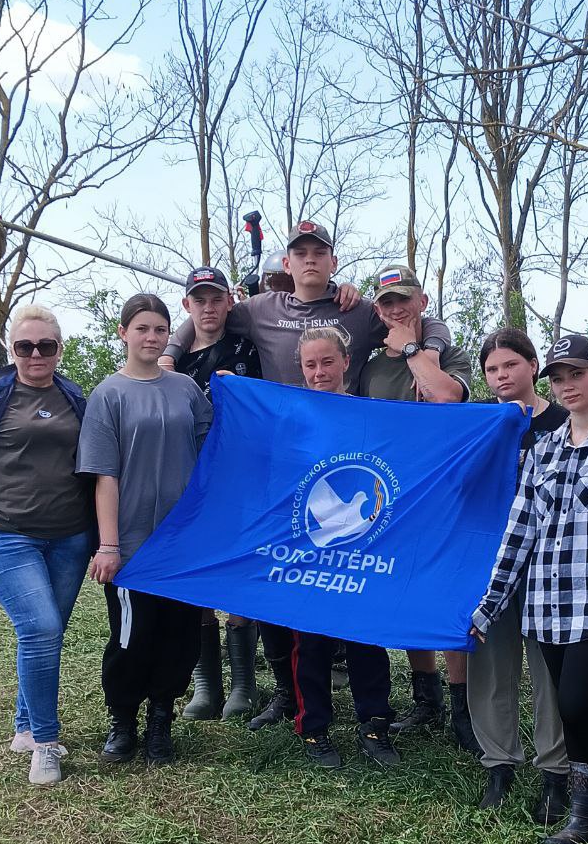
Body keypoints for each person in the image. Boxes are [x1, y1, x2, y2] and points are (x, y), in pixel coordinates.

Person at [161, 222, 452, 737]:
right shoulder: (258, 309)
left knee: (355, 567)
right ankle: (285, 691)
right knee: (283, 570)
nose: (311, 260)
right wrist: (168, 355)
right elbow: (206, 319)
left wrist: (431, 340)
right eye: (301, 253)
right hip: (283, 459)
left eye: (320, 251)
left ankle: (392, 697)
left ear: (333, 261)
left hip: (349, 457)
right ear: (288, 264)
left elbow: (415, 321)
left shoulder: (358, 310)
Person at [472, 333, 588, 844]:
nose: (568, 385)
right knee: (570, 712)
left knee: (576, 706)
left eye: (577, 373)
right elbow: (520, 531)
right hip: (546, 606)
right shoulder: (543, 451)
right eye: (558, 377)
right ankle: (586, 810)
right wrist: (491, 606)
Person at [0, 305, 93, 787]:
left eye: (46, 345)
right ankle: (46, 743)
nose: (36, 354)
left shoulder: (74, 396)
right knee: (41, 627)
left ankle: (23, 728)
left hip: (70, 536)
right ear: (11, 349)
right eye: (25, 346)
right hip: (2, 532)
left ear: (59, 348)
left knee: (46, 633)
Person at [77, 294, 213, 766]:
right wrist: (109, 544)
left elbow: (211, 455)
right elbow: (104, 476)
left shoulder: (185, 390)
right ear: (123, 333)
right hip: (132, 545)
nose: (152, 338)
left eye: (159, 329)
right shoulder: (108, 395)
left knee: (180, 636)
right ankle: (123, 721)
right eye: (142, 329)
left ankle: (160, 721)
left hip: (184, 542)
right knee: (132, 638)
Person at [358, 265, 478, 753]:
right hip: (388, 497)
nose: (394, 309)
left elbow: (447, 396)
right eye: (386, 304)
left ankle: (462, 707)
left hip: (445, 494)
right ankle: (425, 697)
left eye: (402, 300)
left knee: (445, 594)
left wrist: (413, 349)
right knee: (405, 592)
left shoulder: (450, 353)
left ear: (422, 301)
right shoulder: (368, 365)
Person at [468, 326, 570, 823]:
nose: (501, 376)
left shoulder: (566, 421)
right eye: (491, 369)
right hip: (489, 560)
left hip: (552, 561)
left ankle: (556, 769)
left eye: (510, 364)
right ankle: (498, 763)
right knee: (490, 663)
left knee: (550, 668)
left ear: (532, 365)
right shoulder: (481, 423)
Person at [289, 326, 398, 768]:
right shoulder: (290, 416)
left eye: (327, 362)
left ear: (345, 363)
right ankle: (314, 728)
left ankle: (375, 723)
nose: (319, 372)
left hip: (364, 546)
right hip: (308, 546)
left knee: (365, 638)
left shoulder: (372, 415)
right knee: (310, 642)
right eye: (310, 364)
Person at [173, 266, 263, 723]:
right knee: (197, 577)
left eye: (215, 299)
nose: (208, 308)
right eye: (199, 300)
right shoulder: (171, 361)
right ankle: (206, 683)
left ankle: (244, 682)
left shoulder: (248, 347)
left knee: (241, 574)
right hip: (191, 480)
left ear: (229, 302)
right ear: (187, 305)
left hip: (242, 479)